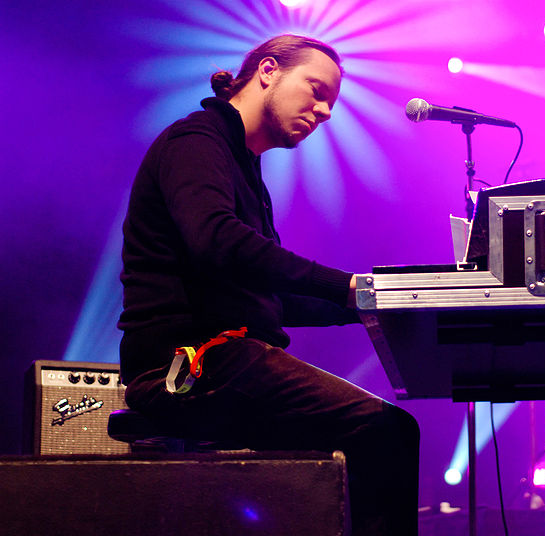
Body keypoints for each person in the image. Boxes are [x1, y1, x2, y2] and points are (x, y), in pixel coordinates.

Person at [118, 34, 419, 536]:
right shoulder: (196, 142)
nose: (324, 112)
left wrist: (378, 300)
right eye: (316, 90)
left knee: (360, 444)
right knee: (386, 431)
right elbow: (217, 240)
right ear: (268, 71)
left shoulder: (244, 165)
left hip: (226, 361)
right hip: (194, 366)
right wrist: (347, 287)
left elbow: (270, 296)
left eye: (331, 103)